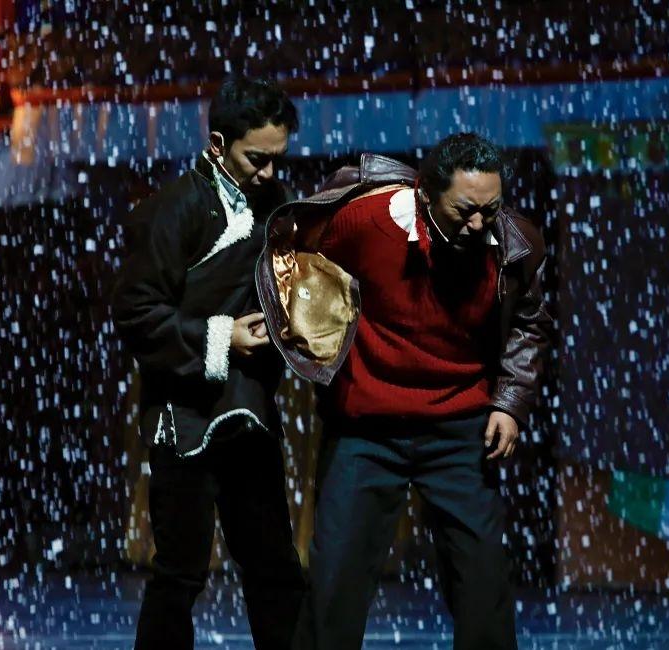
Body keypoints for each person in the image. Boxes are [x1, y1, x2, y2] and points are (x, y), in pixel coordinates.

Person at [258, 133, 551, 649]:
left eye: (490, 209)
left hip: (461, 429)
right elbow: (290, 248)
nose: (479, 224)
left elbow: (530, 322)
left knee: (483, 587)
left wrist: (510, 402)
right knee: (335, 585)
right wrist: (309, 331)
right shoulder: (367, 220)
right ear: (425, 195)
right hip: (366, 429)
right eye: (464, 210)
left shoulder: (514, 244)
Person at [113, 75, 305, 650]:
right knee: (180, 572)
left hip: (249, 408)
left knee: (274, 567)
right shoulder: (170, 210)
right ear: (218, 144)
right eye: (257, 159)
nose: (268, 172)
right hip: (185, 415)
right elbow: (136, 313)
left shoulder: (277, 208)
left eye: (277, 159)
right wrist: (222, 336)